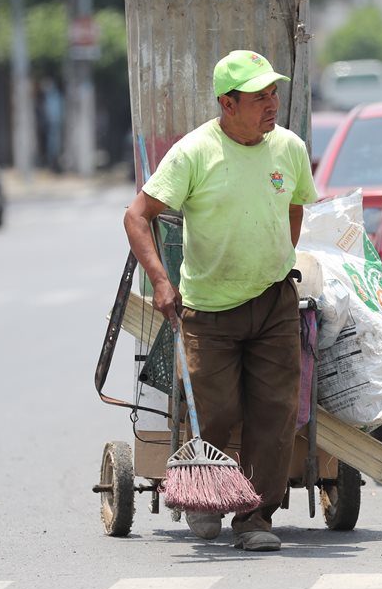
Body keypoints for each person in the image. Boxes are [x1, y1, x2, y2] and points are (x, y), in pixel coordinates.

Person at [123, 50, 318, 552]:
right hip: (209, 310)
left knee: (275, 412)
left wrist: (275, 262)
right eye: (259, 98)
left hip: (274, 299)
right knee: (219, 410)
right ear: (228, 103)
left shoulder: (289, 148)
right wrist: (162, 283)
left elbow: (293, 209)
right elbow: (137, 216)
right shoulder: (193, 153)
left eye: (274, 93)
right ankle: (201, 496)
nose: (272, 104)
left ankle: (255, 517)